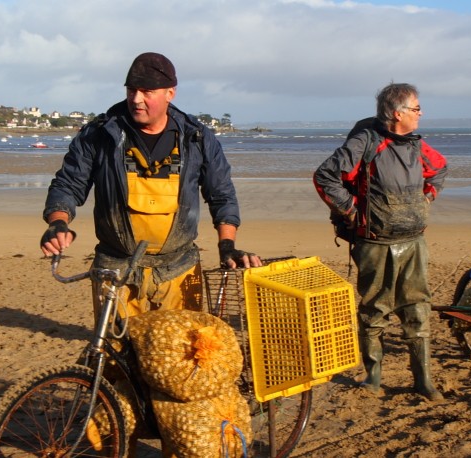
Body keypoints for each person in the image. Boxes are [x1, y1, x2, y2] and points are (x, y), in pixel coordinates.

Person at [39, 52, 261, 448]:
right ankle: (118, 441)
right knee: (120, 365)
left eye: (147, 91)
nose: (137, 99)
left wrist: (227, 244)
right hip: (116, 271)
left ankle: (185, 443)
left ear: (169, 93)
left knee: (185, 366)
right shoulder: (100, 134)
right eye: (131, 90)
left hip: (179, 270)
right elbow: (69, 184)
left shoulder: (196, 138)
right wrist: (59, 223)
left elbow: (221, 195)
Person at [313, 82, 447, 401]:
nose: (420, 113)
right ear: (397, 113)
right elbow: (326, 177)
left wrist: (426, 199)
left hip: (414, 242)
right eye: (415, 108)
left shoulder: (416, 145)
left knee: (417, 310)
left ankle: (423, 380)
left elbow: (439, 170)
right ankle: (373, 378)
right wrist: (353, 213)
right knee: (375, 311)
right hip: (375, 244)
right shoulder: (366, 141)